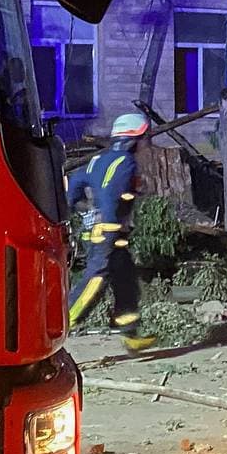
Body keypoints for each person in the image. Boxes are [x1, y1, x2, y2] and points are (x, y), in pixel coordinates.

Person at [66, 112, 156, 352]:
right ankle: (64, 323)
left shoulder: (98, 160)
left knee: (125, 280)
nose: (148, 142)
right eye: (146, 137)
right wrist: (111, 221)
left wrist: (82, 209)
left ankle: (130, 334)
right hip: (108, 232)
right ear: (134, 138)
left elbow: (74, 187)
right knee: (96, 280)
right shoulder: (126, 162)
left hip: (100, 230)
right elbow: (111, 196)